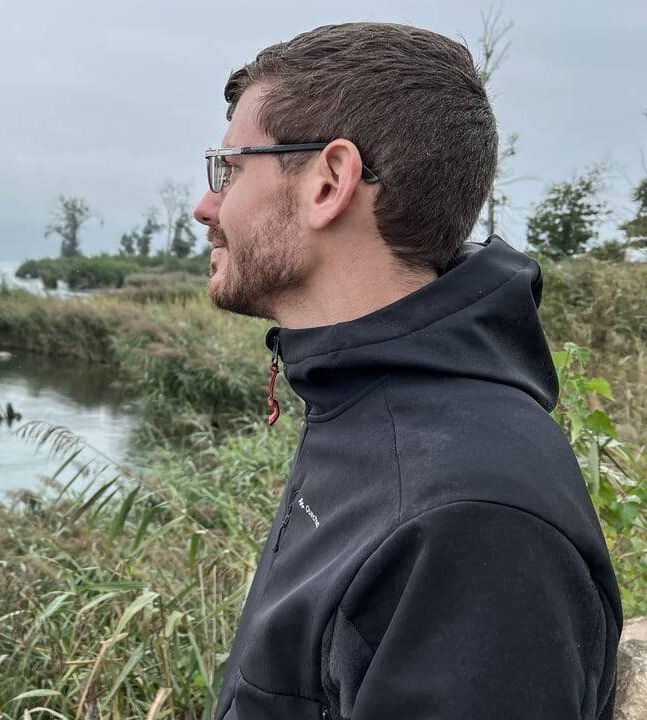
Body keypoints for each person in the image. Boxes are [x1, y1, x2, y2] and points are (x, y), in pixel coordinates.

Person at [192, 22, 621, 720]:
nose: (207, 206)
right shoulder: (362, 402)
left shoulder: (471, 524)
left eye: (230, 169)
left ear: (330, 181)